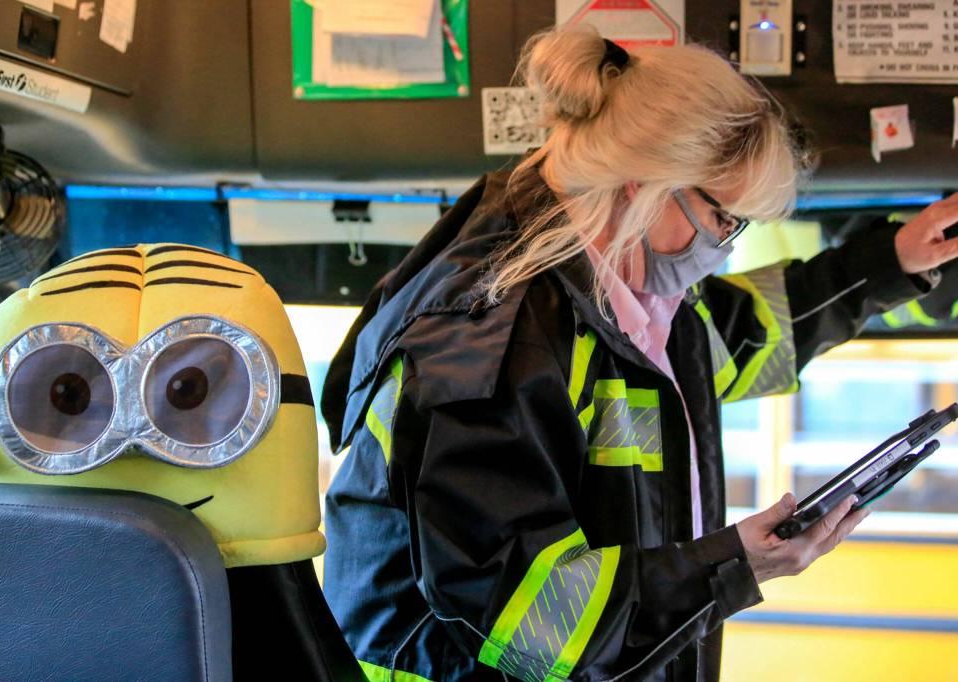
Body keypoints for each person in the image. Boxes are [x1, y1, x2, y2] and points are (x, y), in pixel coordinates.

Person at [319, 25, 958, 682]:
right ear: (644, 183)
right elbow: (532, 614)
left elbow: (734, 339)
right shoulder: (490, 337)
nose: (727, 246)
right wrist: (734, 565)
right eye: (723, 220)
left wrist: (891, 262)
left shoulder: (611, 276)